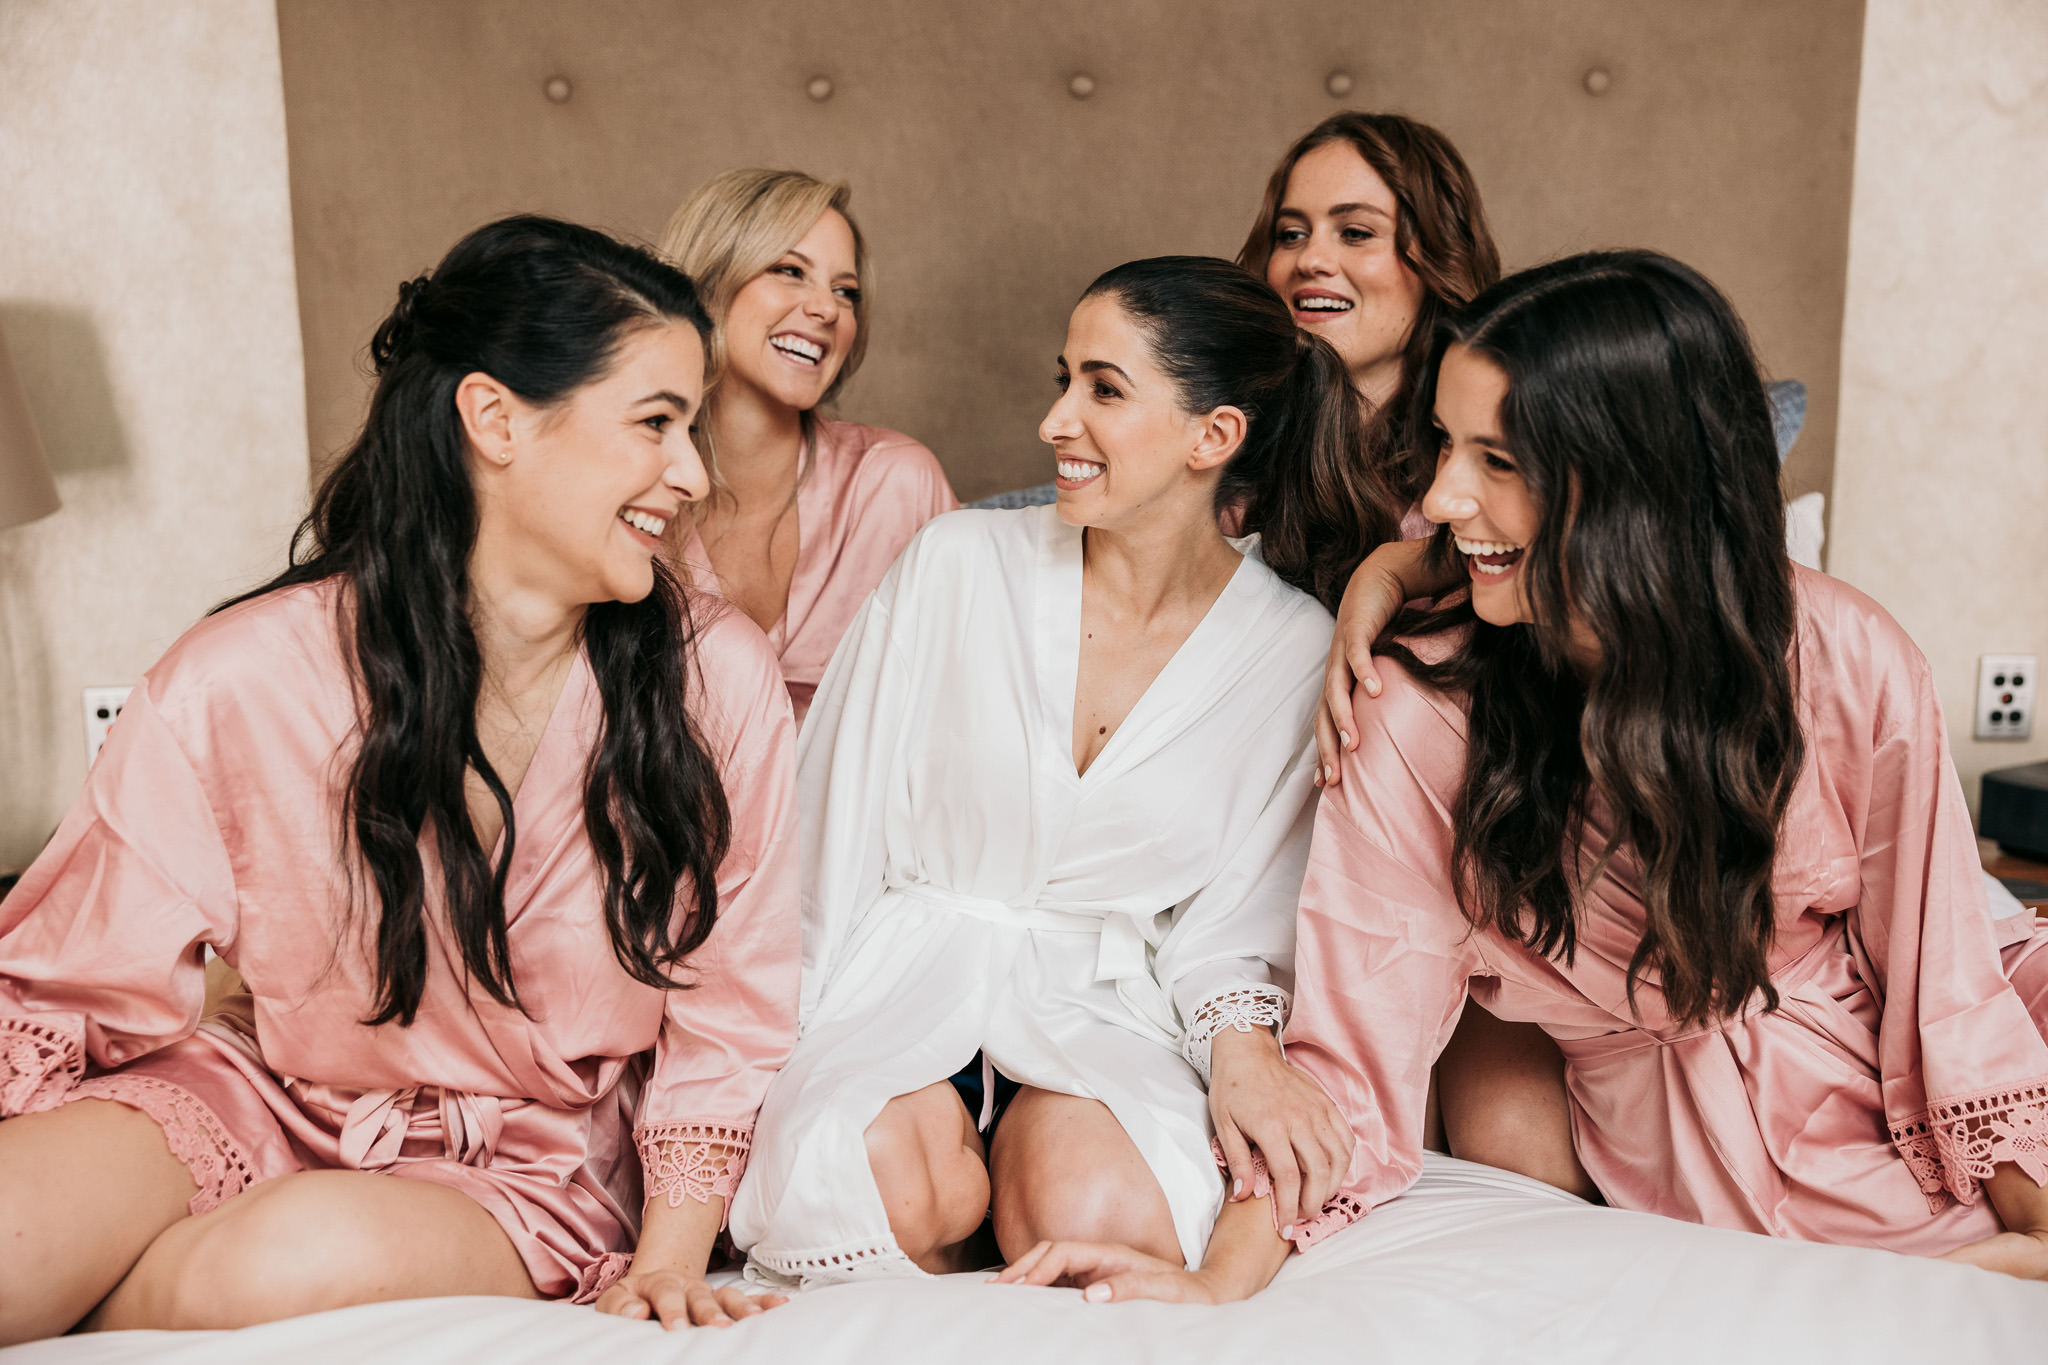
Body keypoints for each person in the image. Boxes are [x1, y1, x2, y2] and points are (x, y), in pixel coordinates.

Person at [1000, 251, 2048, 1303]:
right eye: (1443, 445)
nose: (1439, 498)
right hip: (1682, 1125)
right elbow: (1352, 1054)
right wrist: (1221, 1279)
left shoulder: (1845, 650)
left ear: (1632, 477)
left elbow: (1943, 979)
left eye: (1495, 461)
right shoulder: (1418, 712)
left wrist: (2030, 1218)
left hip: (1894, 1061)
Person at [0, 216, 800, 1341]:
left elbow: (729, 1009)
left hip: (529, 1161)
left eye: (693, 428)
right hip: (255, 1087)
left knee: (282, 1261)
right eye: (655, 422)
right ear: (494, 418)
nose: (693, 473)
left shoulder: (715, 678)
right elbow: (65, 968)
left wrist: (667, 1260)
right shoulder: (243, 674)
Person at [729, 257, 1378, 1289]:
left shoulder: (1292, 647)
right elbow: (823, 834)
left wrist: (1242, 1052)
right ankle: (948, 1209)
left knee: (1102, 1216)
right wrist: (748, 1075)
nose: (1054, 422)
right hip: (893, 983)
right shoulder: (955, 562)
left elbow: (1236, 922)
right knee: (872, 1186)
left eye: (1102, 390)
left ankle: (1013, 1192)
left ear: (1213, 436)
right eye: (1063, 379)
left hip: (1108, 1012)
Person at [659, 169, 957, 727]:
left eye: (846, 292)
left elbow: (970, 698)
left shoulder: (897, 482)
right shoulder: (634, 489)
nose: (828, 310)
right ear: (707, 286)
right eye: (790, 271)